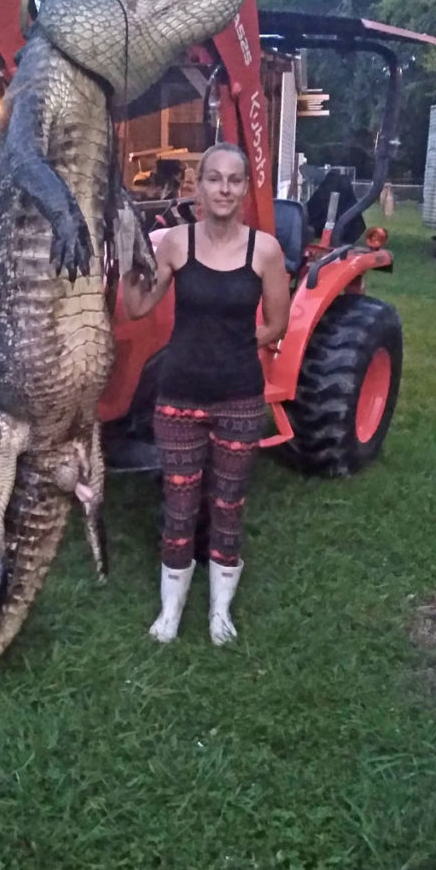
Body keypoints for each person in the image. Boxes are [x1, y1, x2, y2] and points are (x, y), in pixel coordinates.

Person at [122, 142, 290, 645]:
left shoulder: (265, 251)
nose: (224, 188)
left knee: (228, 503)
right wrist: (127, 259)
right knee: (179, 505)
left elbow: (277, 324)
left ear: (243, 189)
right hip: (179, 397)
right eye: (213, 178)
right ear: (199, 185)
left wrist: (232, 344)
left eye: (234, 180)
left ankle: (220, 612)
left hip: (239, 397)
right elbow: (136, 307)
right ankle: (170, 613)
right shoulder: (173, 243)